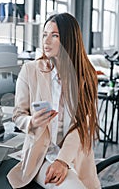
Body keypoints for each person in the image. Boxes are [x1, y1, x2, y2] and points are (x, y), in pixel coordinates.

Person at [7, 12, 101, 189]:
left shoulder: (86, 75)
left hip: (75, 155)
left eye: (54, 35)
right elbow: (18, 115)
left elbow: (83, 124)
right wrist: (31, 122)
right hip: (42, 156)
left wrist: (63, 161)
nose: (46, 41)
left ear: (69, 39)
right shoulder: (30, 70)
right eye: (45, 34)